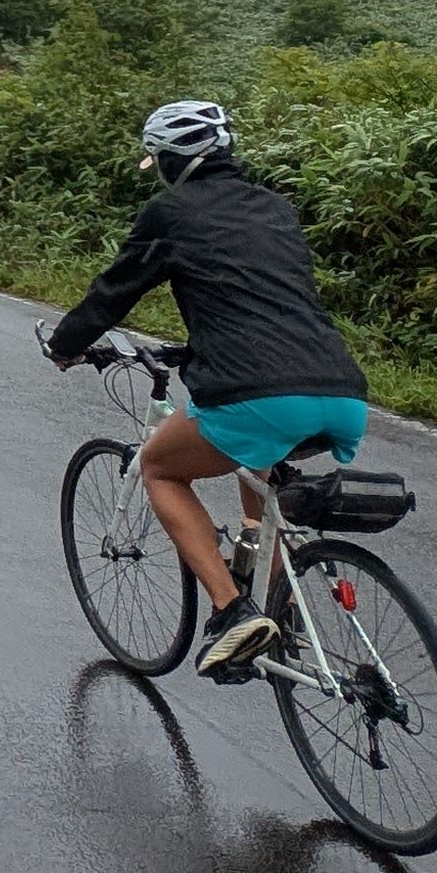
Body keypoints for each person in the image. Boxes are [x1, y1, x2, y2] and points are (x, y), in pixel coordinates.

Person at [41, 98, 368, 679]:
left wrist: (67, 345)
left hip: (260, 393)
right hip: (341, 391)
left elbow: (113, 293)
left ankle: (232, 613)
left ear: (170, 161)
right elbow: (259, 301)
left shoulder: (171, 212)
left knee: (159, 468)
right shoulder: (275, 208)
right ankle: (272, 592)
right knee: (258, 463)